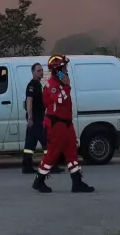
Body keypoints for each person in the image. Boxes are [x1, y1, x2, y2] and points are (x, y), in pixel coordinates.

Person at [32, 54, 95, 194]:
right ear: (58, 70)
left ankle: (77, 182)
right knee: (53, 154)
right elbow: (59, 100)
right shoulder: (54, 85)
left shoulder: (59, 83)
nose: (66, 69)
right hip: (57, 125)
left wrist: (65, 85)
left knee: (72, 152)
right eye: (64, 67)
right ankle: (39, 180)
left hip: (66, 124)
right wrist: (67, 86)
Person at [22, 63, 62, 175]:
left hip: (37, 119)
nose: (41, 72)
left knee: (30, 144)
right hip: (36, 119)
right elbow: (29, 101)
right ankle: (52, 165)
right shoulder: (32, 86)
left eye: (42, 70)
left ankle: (27, 166)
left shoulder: (38, 85)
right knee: (47, 142)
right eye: (38, 70)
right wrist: (30, 118)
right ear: (33, 72)